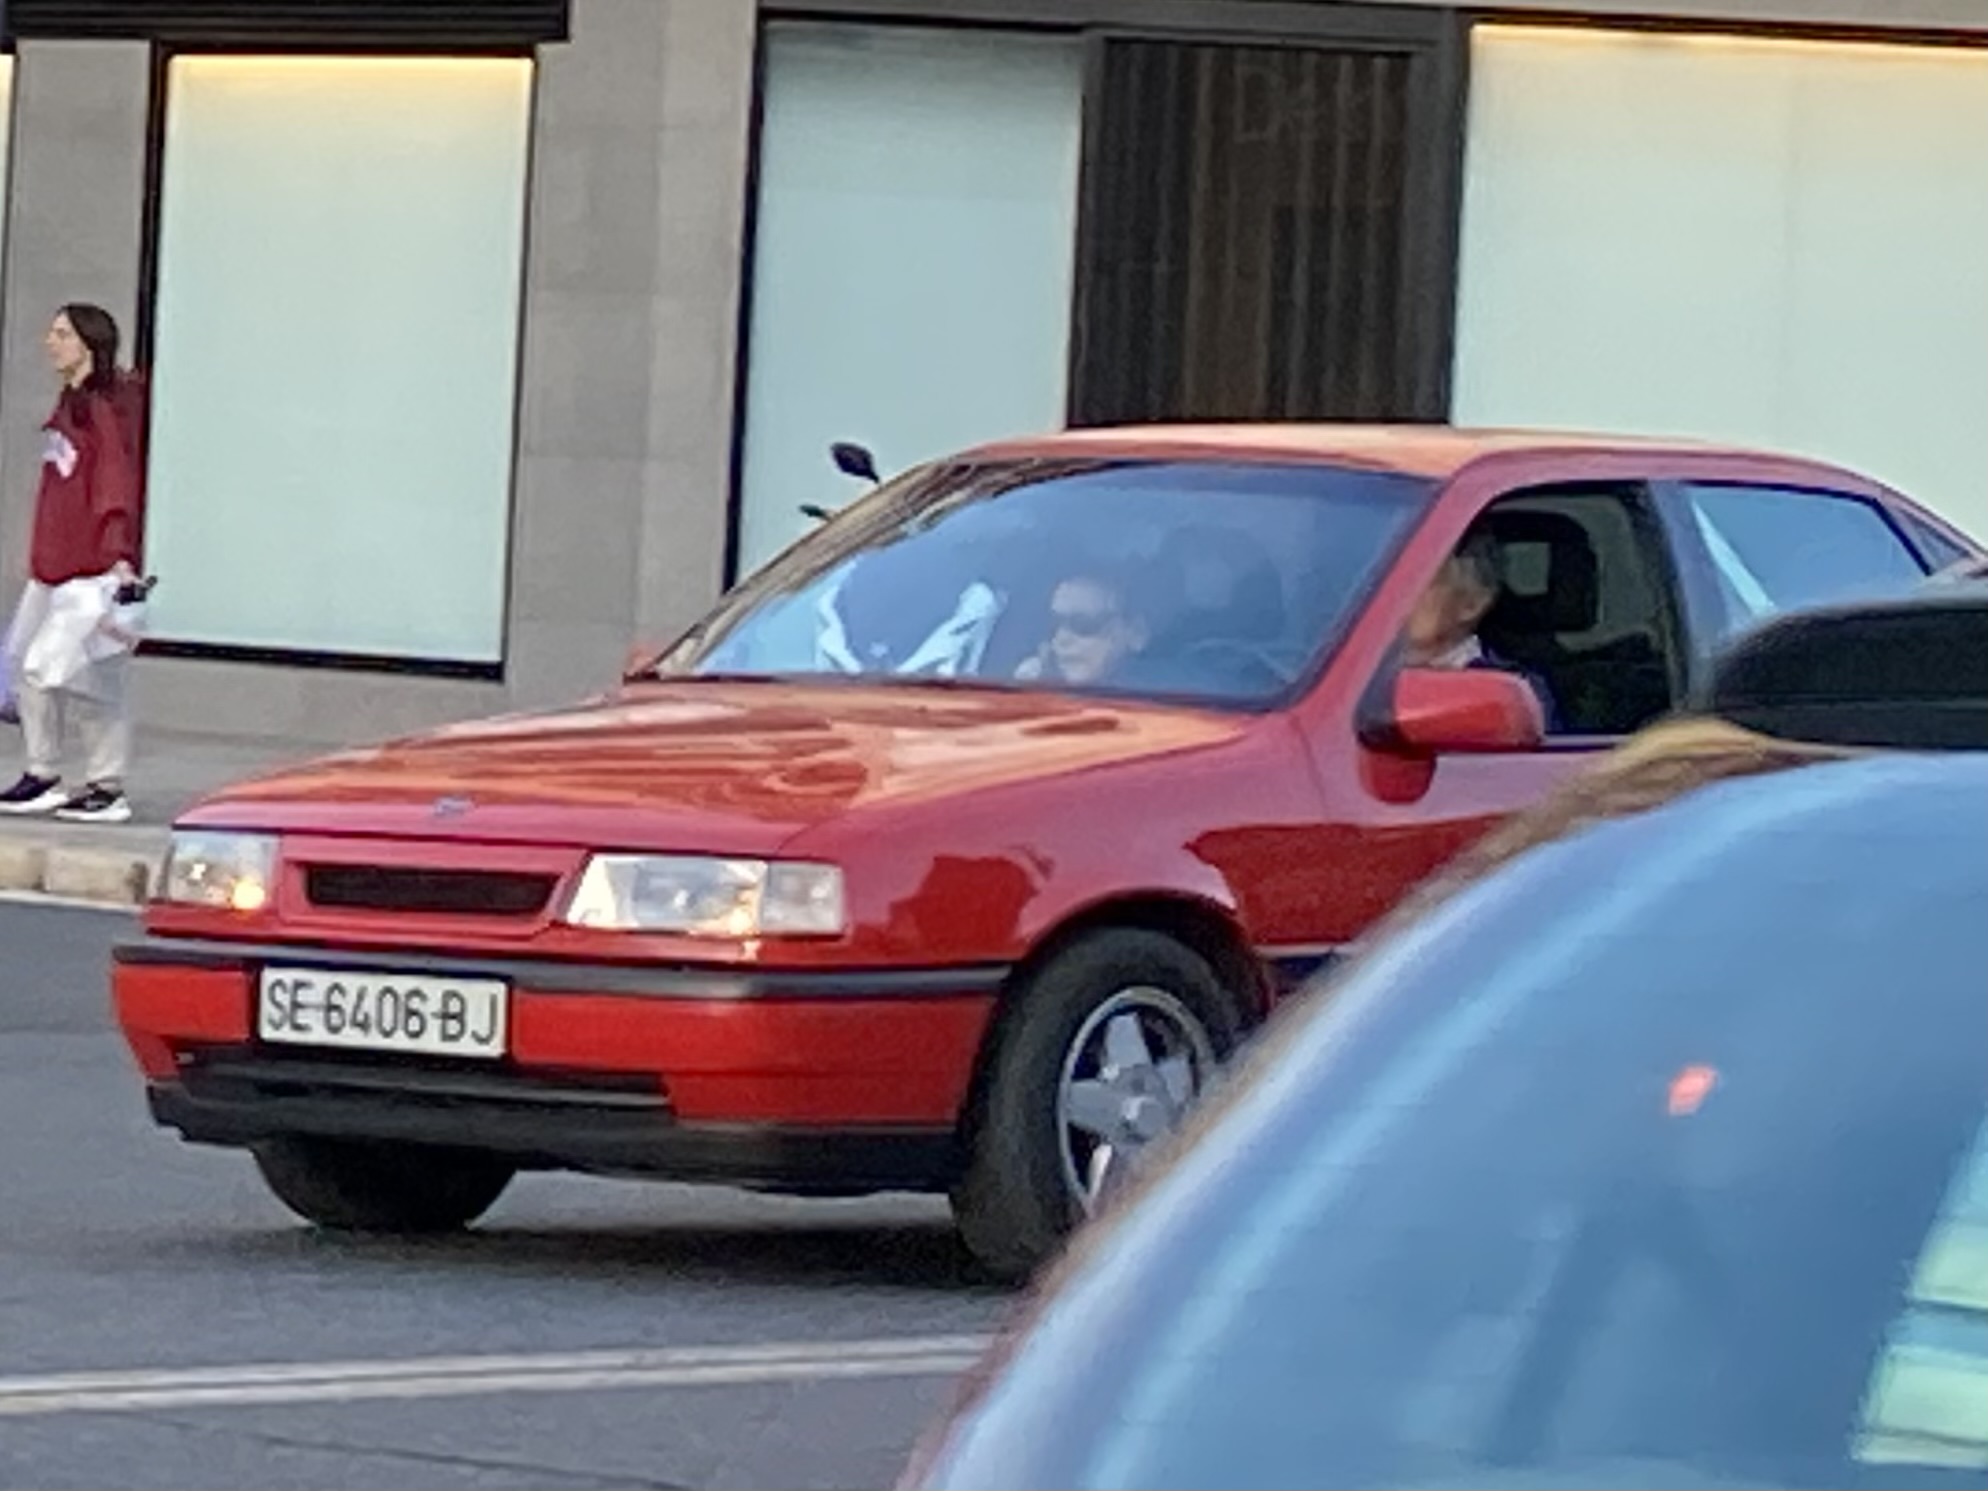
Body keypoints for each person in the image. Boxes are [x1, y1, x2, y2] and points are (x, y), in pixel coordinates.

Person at [0, 304, 148, 823]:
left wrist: (117, 556)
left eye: (61, 334)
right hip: (53, 567)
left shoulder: (102, 409)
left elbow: (115, 485)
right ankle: (44, 773)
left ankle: (105, 786)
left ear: (88, 344)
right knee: (25, 664)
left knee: (66, 673)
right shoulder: (72, 401)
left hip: (92, 570)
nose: (50, 341)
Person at [1402, 529, 1560, 730]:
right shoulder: (1368, 674)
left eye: (1421, 580)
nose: (1399, 596)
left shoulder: (1515, 689)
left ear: (1472, 604)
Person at [1017, 562, 1152, 689]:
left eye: (1082, 623)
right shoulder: (1034, 685)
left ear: (1136, 633)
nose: (1061, 638)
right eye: (1054, 624)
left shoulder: (1156, 700)